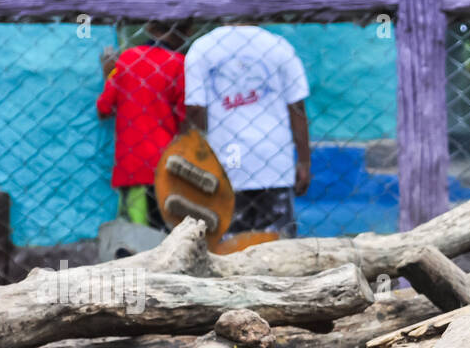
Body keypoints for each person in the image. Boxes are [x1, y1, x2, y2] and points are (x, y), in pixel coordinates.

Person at [183, 24, 311, 237]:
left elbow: (196, 109)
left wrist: (198, 155)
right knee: (279, 246)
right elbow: (297, 108)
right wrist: (304, 160)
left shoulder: (202, 48)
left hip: (228, 161)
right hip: (274, 160)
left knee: (231, 247)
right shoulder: (278, 46)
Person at [96, 22, 189, 228]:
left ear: (148, 28)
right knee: (166, 230)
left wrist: (109, 76)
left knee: (136, 232)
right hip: (166, 163)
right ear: (186, 32)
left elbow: (104, 108)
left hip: (131, 165)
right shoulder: (179, 63)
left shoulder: (127, 59)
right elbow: (185, 117)